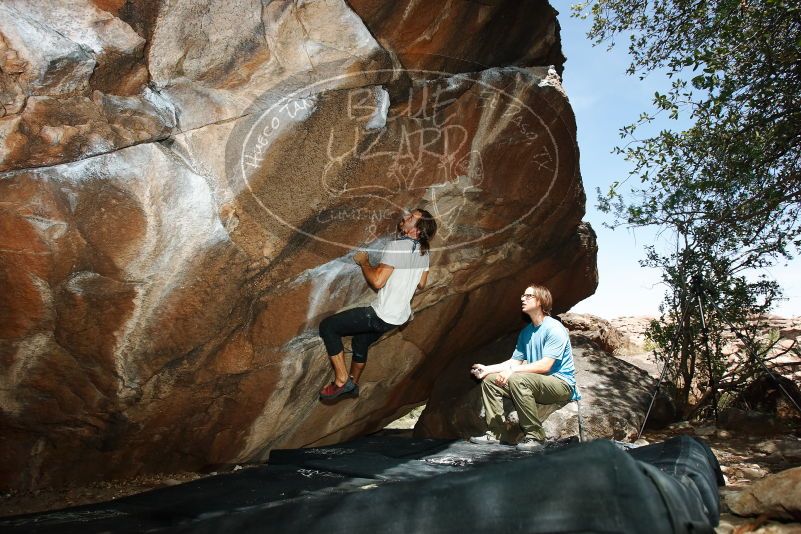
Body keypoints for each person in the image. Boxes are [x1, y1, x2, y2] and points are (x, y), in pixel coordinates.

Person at [318, 208, 437, 400]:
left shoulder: (397, 247)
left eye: (411, 218)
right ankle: (354, 384)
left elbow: (378, 281)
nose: (405, 217)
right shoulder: (424, 252)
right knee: (360, 341)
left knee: (328, 326)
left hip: (380, 315)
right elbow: (421, 284)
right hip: (398, 318)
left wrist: (364, 262)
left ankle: (341, 380)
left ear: (416, 230)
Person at [469, 284, 579, 450]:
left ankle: (535, 436)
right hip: (536, 382)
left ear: (541, 301)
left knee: (518, 380)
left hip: (561, 385)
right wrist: (487, 369)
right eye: (523, 295)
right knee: (490, 381)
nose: (522, 299)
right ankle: (497, 434)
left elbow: (545, 365)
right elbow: (514, 361)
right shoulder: (526, 332)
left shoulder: (554, 328)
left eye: (528, 296)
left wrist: (512, 371)